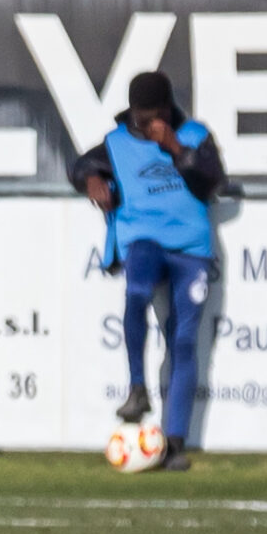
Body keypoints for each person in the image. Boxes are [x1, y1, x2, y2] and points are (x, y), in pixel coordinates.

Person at [68, 72, 224, 472]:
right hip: (144, 241)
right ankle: (137, 388)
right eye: (141, 116)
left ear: (167, 111)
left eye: (154, 115)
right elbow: (80, 165)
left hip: (191, 248)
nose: (146, 123)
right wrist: (91, 178)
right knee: (136, 294)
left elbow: (212, 181)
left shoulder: (194, 136)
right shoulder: (117, 143)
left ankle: (175, 444)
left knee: (184, 340)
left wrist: (175, 148)